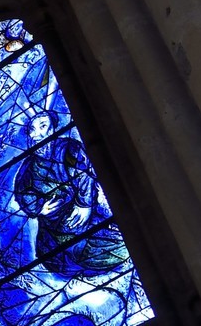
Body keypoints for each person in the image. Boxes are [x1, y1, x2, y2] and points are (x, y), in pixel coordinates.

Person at [11, 111, 130, 277]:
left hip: (81, 218)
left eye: (42, 126)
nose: (35, 134)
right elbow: (22, 192)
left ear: (52, 129)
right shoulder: (29, 165)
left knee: (112, 247)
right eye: (32, 129)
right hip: (51, 230)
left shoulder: (68, 148)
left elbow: (85, 174)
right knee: (54, 260)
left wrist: (84, 205)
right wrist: (39, 208)